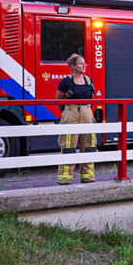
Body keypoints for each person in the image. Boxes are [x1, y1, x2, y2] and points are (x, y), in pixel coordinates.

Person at [56, 53, 96, 184]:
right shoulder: (66, 82)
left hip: (87, 112)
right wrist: (67, 113)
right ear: (73, 66)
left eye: (84, 63)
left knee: (89, 145)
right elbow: (58, 100)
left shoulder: (88, 81)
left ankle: (87, 176)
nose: (84, 66)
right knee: (68, 146)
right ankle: (65, 178)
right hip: (71, 113)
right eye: (80, 64)